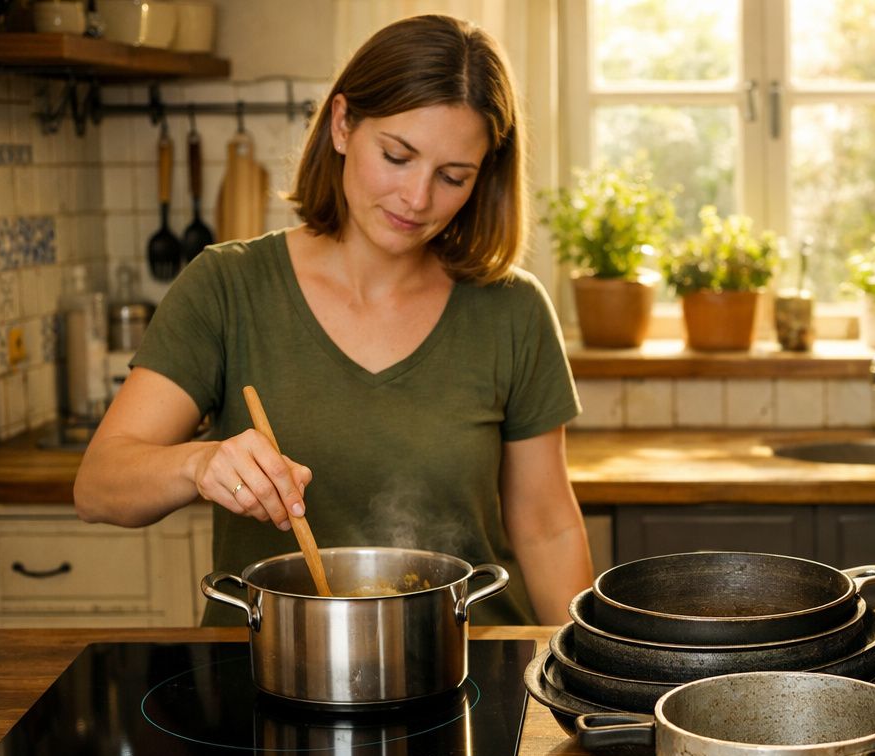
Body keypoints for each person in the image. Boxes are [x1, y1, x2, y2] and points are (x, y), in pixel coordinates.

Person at [75, 14, 592, 626]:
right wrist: (198, 463)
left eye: (454, 176)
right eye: (397, 156)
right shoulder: (227, 286)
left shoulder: (512, 308)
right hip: (271, 669)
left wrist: (585, 677)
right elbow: (100, 487)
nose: (418, 198)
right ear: (343, 123)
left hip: (465, 667)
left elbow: (547, 527)